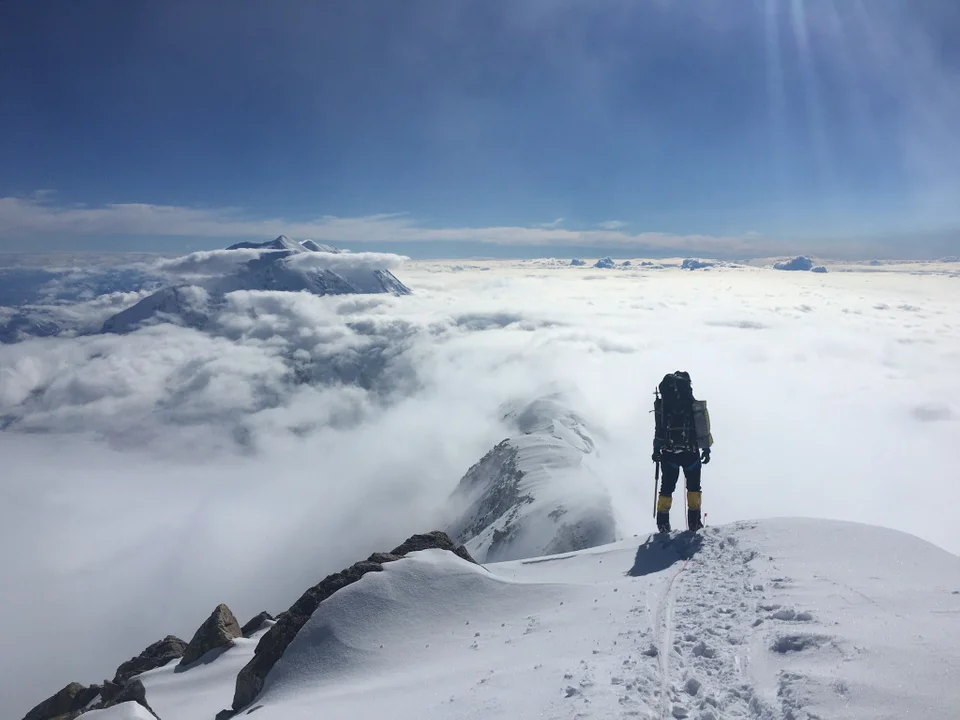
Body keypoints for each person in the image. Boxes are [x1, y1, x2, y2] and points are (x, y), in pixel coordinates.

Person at [652, 371, 712, 532]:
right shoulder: (691, 403)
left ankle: (663, 524)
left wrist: (656, 450)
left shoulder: (663, 405)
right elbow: (701, 424)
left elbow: (659, 428)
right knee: (693, 487)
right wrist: (706, 448)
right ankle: (694, 523)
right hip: (690, 452)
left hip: (669, 453)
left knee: (666, 488)